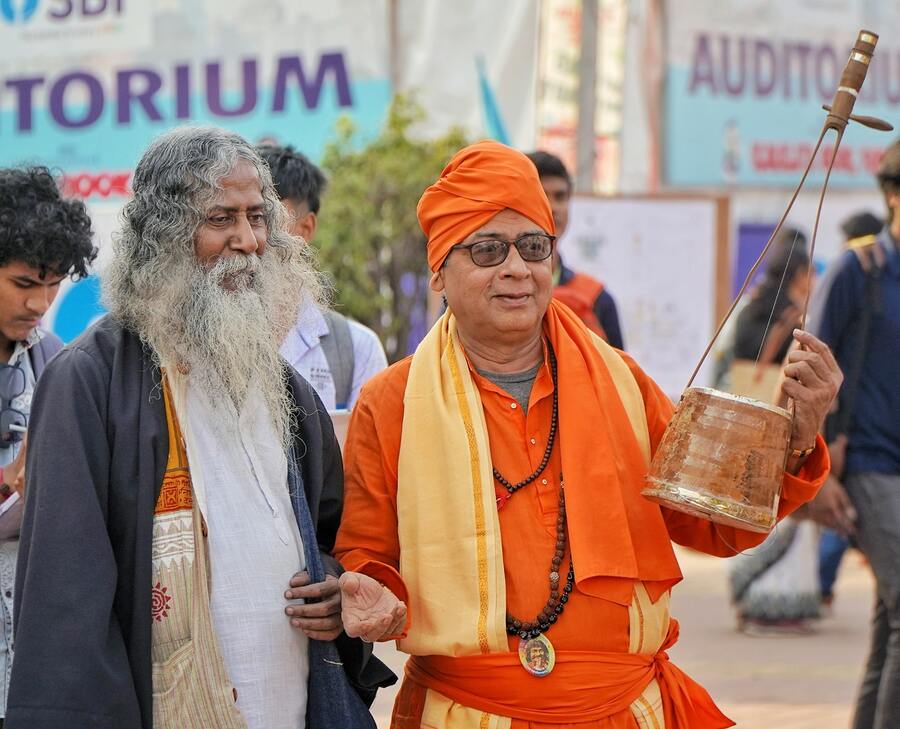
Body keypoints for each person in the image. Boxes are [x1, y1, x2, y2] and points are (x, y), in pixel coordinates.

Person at [331, 140, 841, 728]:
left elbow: (714, 523)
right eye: (488, 250)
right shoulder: (391, 401)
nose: (517, 268)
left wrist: (796, 441)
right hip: (466, 712)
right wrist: (371, 588)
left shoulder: (622, 382)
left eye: (533, 246)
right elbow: (366, 549)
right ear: (441, 270)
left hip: (623, 711)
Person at [5, 127, 392, 729]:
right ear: (162, 236)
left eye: (258, 218)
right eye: (220, 219)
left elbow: (329, 539)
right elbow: (66, 606)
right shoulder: (89, 382)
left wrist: (335, 588)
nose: (248, 241)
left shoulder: (287, 390)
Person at [806, 143, 900, 729]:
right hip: (867, 462)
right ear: (894, 195)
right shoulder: (859, 268)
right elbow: (807, 370)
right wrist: (815, 472)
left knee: (890, 615)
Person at [0, 166, 96, 726]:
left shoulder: (55, 357)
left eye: (52, 283)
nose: (39, 303)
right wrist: (17, 472)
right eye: (22, 283)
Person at [724, 235, 822, 633]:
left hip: (741, 422)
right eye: (811, 271)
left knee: (743, 503)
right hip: (778, 428)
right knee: (782, 505)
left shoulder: (749, 308)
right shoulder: (796, 319)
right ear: (799, 275)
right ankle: (778, 606)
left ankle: (747, 599)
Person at [257, 144, 388, 411]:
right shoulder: (207, 342)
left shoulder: (357, 350)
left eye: (266, 217)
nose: (252, 234)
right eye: (239, 217)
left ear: (306, 228)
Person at [812, 211, 883, 611]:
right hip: (851, 445)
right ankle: (819, 584)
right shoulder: (852, 273)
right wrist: (823, 442)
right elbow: (818, 364)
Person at [526, 150, 625, 348]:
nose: (553, 207)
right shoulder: (487, 291)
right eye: (542, 195)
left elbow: (621, 377)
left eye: (560, 196)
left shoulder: (597, 300)